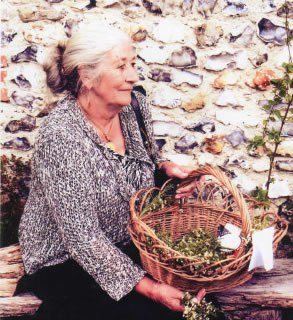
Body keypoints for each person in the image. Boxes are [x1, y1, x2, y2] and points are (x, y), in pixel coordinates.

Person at [17, 24, 205, 320]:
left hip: (124, 242)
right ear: (85, 75)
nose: (133, 75)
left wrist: (166, 171)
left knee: (197, 301)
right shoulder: (62, 137)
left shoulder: (134, 106)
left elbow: (142, 161)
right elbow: (82, 238)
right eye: (121, 67)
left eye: (133, 64)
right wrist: (152, 289)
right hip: (66, 259)